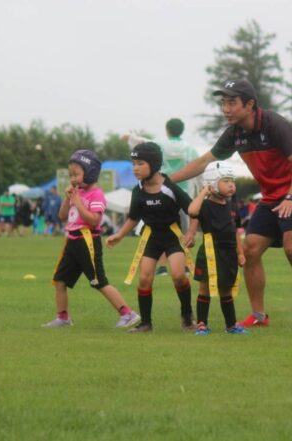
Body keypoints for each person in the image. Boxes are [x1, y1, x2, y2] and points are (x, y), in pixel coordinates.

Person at [171, 79, 292, 330]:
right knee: (250, 250)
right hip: (270, 196)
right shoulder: (234, 133)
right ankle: (259, 315)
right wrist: (166, 180)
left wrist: (291, 197)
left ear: (250, 104)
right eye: (223, 103)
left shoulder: (274, 124)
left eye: (231, 103)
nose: (225, 109)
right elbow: (204, 162)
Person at [43, 149, 141, 329]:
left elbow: (94, 220)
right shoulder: (76, 192)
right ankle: (63, 318)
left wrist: (78, 203)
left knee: (99, 282)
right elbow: (62, 216)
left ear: (89, 173)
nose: (72, 178)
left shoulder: (96, 194)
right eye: (70, 175)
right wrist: (68, 198)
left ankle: (128, 313)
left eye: (76, 174)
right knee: (60, 280)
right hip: (72, 241)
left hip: (87, 241)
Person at [106, 142, 197, 333]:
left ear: (154, 164)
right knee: (144, 279)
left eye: (140, 163)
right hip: (151, 238)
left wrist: (190, 232)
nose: (135, 168)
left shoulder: (170, 188)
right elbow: (133, 217)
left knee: (178, 276)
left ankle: (187, 316)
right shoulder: (137, 190)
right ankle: (146, 323)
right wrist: (119, 235)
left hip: (172, 237)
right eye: (133, 164)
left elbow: (193, 210)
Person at [122, 118, 199, 276]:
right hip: (183, 191)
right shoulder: (190, 148)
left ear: (167, 130)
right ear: (182, 130)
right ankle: (183, 265)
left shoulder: (161, 145)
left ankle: (163, 266)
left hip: (158, 188)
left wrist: (130, 137)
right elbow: (198, 167)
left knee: (160, 230)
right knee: (180, 233)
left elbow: (144, 143)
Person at [187, 162, 247, 335]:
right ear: (212, 183)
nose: (231, 185)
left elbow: (235, 231)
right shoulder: (205, 205)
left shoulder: (232, 205)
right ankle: (201, 324)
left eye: (232, 181)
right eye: (226, 181)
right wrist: (204, 192)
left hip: (229, 253)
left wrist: (240, 253)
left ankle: (231, 325)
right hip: (210, 252)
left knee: (226, 289)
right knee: (205, 288)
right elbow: (192, 211)